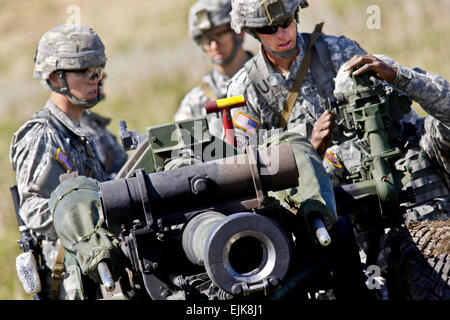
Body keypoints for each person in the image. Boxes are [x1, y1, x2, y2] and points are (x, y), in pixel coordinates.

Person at [9, 24, 116, 300]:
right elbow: (31, 209)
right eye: (84, 71)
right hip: (72, 280)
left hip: (99, 268)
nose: (96, 79)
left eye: (97, 70)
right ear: (57, 79)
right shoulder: (41, 137)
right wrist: (85, 211)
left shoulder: (85, 130)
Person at [173, 0, 252, 138]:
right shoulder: (196, 102)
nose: (214, 45)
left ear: (239, 32)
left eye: (220, 34)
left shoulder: (268, 78)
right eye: (207, 39)